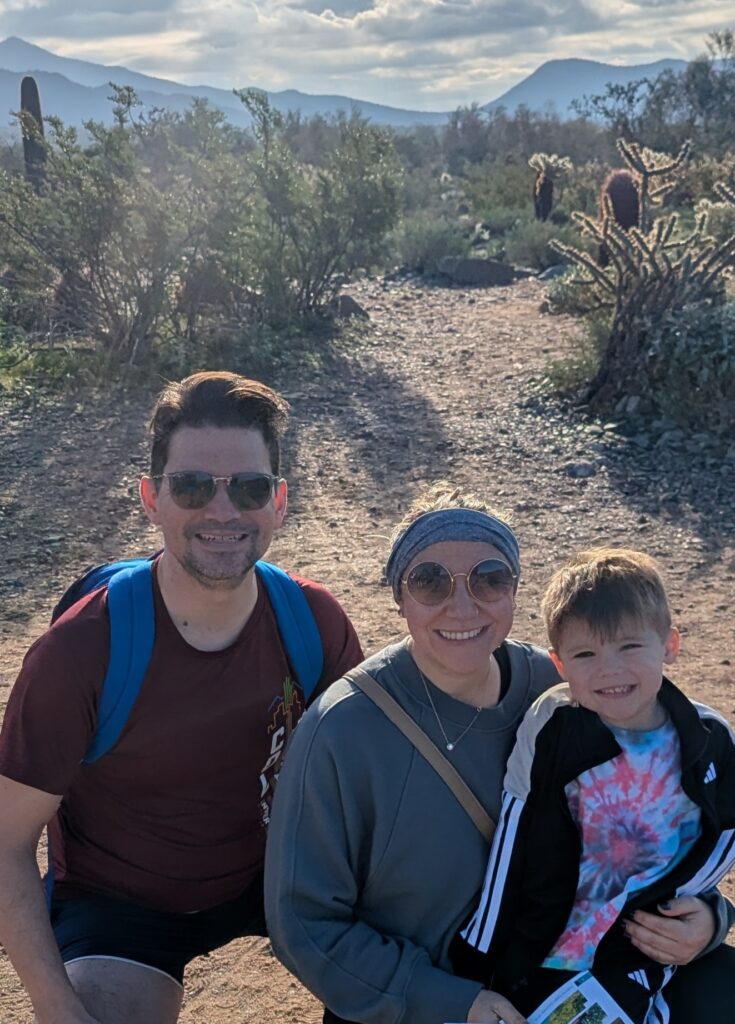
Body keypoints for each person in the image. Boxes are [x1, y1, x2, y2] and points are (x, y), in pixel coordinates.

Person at [265, 484, 735, 1024]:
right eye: (429, 580)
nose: (462, 605)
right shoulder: (343, 728)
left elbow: (666, 814)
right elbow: (303, 922)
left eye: (489, 578)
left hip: (564, 976)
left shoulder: (565, 686)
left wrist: (709, 919)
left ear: (514, 589)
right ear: (398, 595)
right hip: (420, 999)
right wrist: (447, 1001)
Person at [0, 371, 363, 1024]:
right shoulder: (82, 651)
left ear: (278, 501)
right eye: (193, 486)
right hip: (119, 902)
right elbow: (5, 841)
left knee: (409, 970)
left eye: (248, 488)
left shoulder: (313, 622)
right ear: (151, 499)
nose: (222, 511)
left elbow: (374, 781)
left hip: (274, 874)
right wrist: (58, 1009)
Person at [451, 547, 735, 1022]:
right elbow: (512, 842)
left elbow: (724, 833)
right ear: (559, 665)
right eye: (586, 653)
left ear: (669, 644)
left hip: (639, 950)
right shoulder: (552, 727)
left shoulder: (709, 739)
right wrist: (475, 965)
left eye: (629, 646)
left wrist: (698, 908)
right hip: (545, 953)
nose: (609, 669)